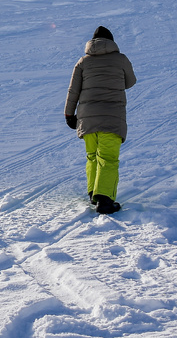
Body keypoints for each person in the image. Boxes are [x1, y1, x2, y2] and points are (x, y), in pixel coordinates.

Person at [64, 26, 137, 214]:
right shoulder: (121, 59)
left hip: (87, 119)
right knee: (108, 159)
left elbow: (73, 90)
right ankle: (104, 200)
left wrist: (69, 115)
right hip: (112, 118)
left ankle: (93, 194)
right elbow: (130, 82)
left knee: (92, 156)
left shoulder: (83, 62)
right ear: (111, 42)